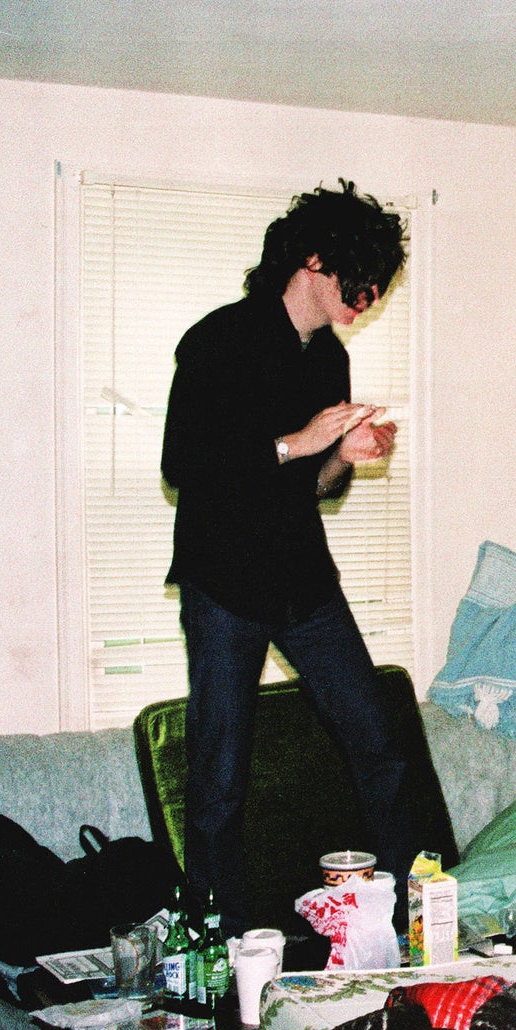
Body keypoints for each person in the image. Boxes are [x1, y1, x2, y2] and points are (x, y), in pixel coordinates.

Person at [161, 180, 414, 932]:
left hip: (304, 582)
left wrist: (344, 455)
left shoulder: (329, 358)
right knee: (219, 780)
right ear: (314, 259)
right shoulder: (218, 340)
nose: (369, 296)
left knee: (380, 744)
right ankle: (218, 944)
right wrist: (295, 442)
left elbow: (318, 489)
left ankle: (407, 921)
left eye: (378, 283)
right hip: (225, 584)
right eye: (360, 276)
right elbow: (183, 465)